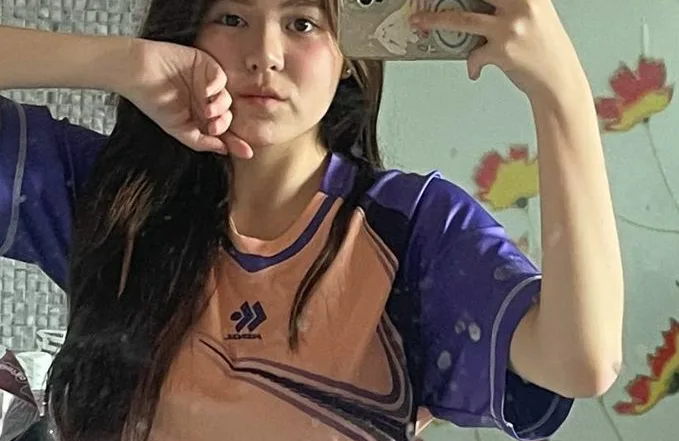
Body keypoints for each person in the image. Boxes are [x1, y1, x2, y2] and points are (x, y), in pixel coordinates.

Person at [0, 0, 625, 439]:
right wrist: (117, 63)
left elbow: (580, 361)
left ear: (349, 55)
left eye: (301, 22)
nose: (264, 54)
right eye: (232, 18)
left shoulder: (410, 230)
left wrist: (560, 90)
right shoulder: (119, 197)